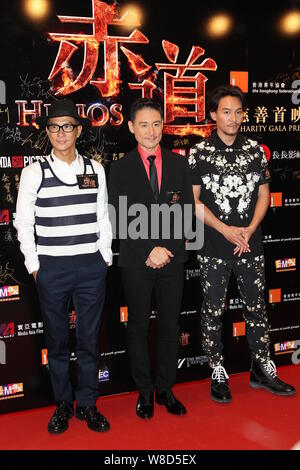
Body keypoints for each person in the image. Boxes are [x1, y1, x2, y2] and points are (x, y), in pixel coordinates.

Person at [189, 84, 296, 403]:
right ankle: (217, 369)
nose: (233, 118)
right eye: (226, 111)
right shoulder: (199, 152)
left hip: (250, 244)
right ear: (213, 114)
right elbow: (193, 202)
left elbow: (264, 195)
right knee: (212, 310)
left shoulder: (254, 150)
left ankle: (261, 367)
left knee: (256, 308)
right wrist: (226, 230)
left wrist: (248, 230)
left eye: (238, 112)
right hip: (213, 246)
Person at [14, 99, 113, 433]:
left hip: (90, 268)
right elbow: (23, 223)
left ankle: (87, 404)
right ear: (48, 131)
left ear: (78, 130)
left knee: (88, 339)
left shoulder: (94, 169)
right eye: (54, 126)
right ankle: (62, 406)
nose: (60, 132)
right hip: (52, 269)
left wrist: (105, 257)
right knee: (56, 342)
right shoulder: (34, 172)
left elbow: (103, 216)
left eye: (67, 126)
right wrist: (35, 266)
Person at [108, 98, 194, 419]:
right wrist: (149, 249)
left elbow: (186, 214)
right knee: (138, 327)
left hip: (172, 258)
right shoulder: (120, 167)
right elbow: (118, 216)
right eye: (143, 124)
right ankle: (144, 392)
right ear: (131, 128)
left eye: (157, 124)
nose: (151, 131)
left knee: (170, 326)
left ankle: (165, 389)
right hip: (136, 261)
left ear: (163, 126)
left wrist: (165, 249)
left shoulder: (179, 164)